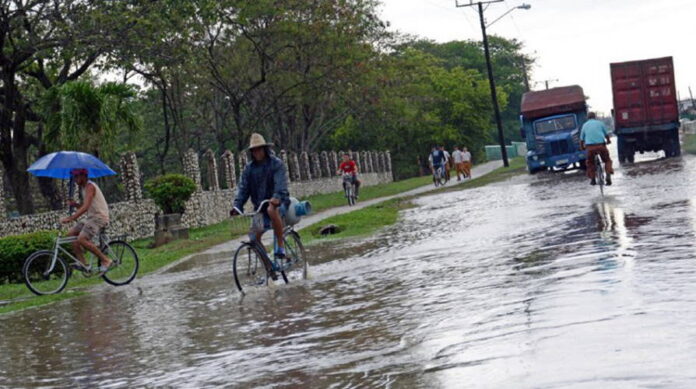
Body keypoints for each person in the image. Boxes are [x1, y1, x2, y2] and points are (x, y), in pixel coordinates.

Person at [231, 133, 290, 280]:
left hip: (278, 204)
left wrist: (276, 197)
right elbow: (243, 189)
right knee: (253, 238)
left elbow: (280, 184)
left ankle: (280, 246)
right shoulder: (249, 169)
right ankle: (269, 267)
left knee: (271, 209)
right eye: (254, 150)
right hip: (259, 209)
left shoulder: (276, 164)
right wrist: (237, 206)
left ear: (265, 149)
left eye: (259, 149)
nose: (257, 152)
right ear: (252, 152)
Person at [60, 168, 113, 275]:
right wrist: (75, 205)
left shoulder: (90, 187)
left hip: (99, 217)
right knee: (71, 235)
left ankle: (106, 260)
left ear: (83, 176)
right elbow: (86, 207)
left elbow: (85, 207)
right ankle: (83, 263)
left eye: (77, 176)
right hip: (91, 217)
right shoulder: (83, 188)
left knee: (82, 239)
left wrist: (71, 218)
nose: (75, 179)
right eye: (74, 177)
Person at [580, 112, 614, 186]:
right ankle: (608, 174)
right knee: (607, 160)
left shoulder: (584, 125)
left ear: (588, 118)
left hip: (590, 147)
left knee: (590, 163)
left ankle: (593, 179)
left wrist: (582, 147)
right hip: (601, 146)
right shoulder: (600, 123)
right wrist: (608, 141)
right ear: (595, 117)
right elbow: (606, 134)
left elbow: (581, 139)